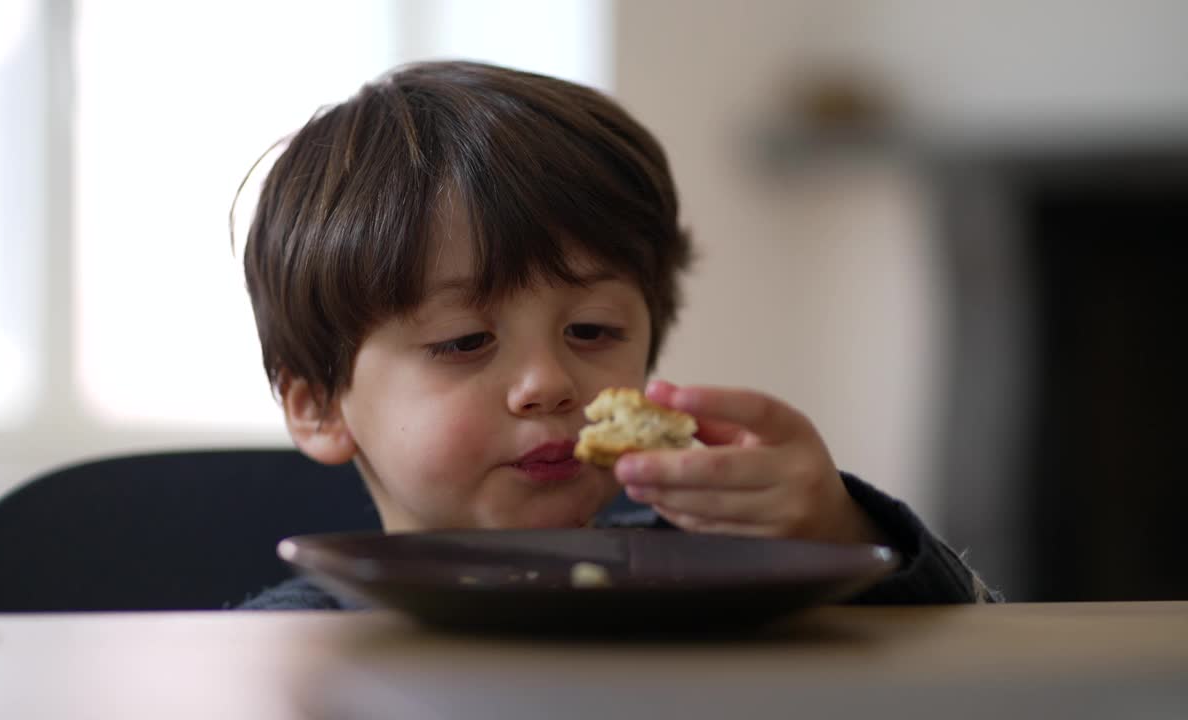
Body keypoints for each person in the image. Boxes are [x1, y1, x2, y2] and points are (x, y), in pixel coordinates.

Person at [234, 60, 998, 610]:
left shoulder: (720, 573)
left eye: (593, 329)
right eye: (465, 341)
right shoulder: (292, 637)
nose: (551, 383)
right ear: (320, 405)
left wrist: (840, 536)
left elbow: (983, 661)